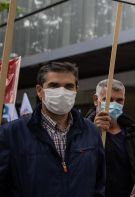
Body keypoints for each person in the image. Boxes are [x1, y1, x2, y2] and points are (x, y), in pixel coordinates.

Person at [0, 62, 105, 196]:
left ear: (76, 90)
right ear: (39, 91)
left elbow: (98, 183)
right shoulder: (11, 133)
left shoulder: (91, 131)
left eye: (69, 86)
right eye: (54, 86)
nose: (62, 92)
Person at [85, 79, 135, 197]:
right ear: (96, 100)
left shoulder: (133, 134)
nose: (114, 104)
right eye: (108, 100)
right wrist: (93, 132)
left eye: (119, 100)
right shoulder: (82, 132)